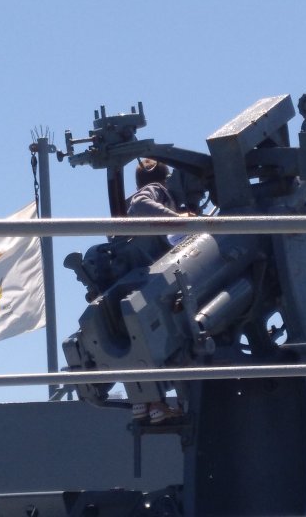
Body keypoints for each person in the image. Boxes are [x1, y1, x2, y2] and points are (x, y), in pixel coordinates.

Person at [127, 158, 189, 424]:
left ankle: (147, 403)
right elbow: (140, 205)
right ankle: (153, 402)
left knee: (139, 335)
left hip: (135, 273)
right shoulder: (156, 191)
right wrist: (178, 221)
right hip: (148, 270)